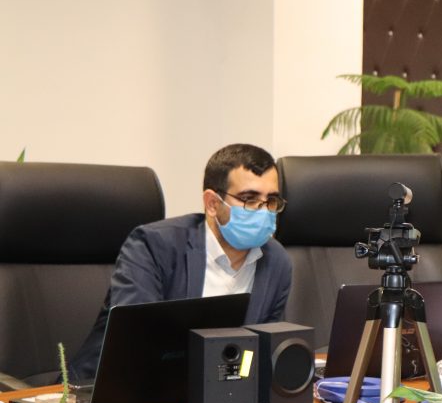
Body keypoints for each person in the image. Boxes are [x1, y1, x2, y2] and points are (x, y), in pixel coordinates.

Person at [70, 143, 292, 381]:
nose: (263, 211)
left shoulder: (277, 261)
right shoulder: (152, 245)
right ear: (212, 203)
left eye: (271, 201)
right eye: (249, 199)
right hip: (111, 388)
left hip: (218, 392)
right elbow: (136, 342)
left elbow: (261, 350)